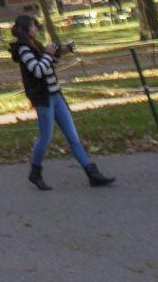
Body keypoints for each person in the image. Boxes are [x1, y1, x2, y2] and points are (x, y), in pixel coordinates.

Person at [9, 14, 115, 191]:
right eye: (33, 26)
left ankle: (91, 172)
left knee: (72, 135)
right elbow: (38, 70)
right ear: (26, 30)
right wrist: (49, 55)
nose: (36, 29)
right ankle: (35, 172)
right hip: (43, 98)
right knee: (46, 137)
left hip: (56, 94)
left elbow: (49, 66)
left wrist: (59, 53)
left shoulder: (36, 45)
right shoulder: (23, 50)